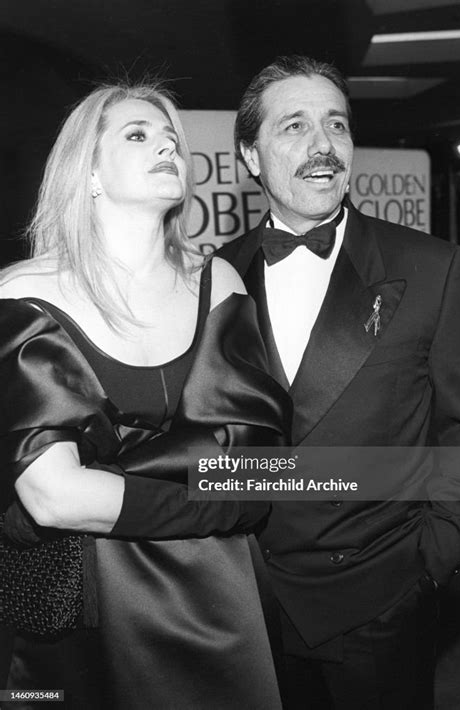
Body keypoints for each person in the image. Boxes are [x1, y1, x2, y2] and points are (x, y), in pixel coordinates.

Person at [0, 82, 291, 709]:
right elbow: (52, 496)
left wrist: (107, 479)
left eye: (172, 140)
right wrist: (216, 499)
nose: (166, 146)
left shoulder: (220, 282)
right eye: (138, 134)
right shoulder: (19, 295)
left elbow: (258, 460)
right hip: (81, 608)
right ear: (91, 172)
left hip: (219, 599)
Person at [219, 55, 460, 709]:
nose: (322, 146)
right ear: (251, 157)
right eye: (295, 127)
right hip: (249, 602)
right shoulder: (213, 278)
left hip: (381, 604)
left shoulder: (431, 268)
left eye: (336, 124)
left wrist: (428, 560)